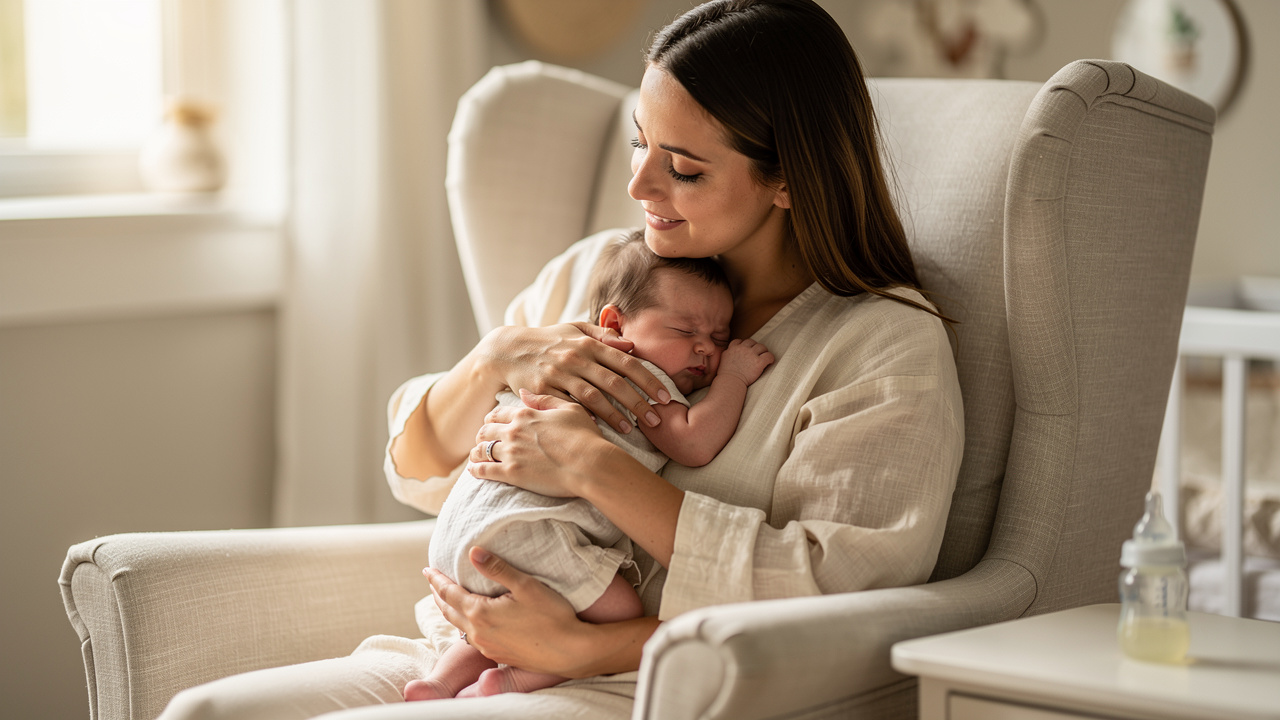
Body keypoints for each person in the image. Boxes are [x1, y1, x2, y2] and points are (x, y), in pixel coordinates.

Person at [158, 0, 963, 717]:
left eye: (684, 168)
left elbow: (837, 592)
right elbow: (418, 465)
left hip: (648, 685)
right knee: (206, 712)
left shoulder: (882, 348)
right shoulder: (603, 273)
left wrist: (591, 507)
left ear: (787, 179)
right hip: (457, 649)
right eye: (643, 144)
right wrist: (498, 357)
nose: (640, 183)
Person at [404, 231, 774, 701]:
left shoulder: (556, 362)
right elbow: (694, 442)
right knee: (619, 609)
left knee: (492, 617)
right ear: (614, 324)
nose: (705, 348)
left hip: (458, 533)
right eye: (685, 332)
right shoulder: (635, 374)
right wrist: (734, 377)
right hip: (526, 531)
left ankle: (438, 682)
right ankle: (513, 680)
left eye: (719, 338)